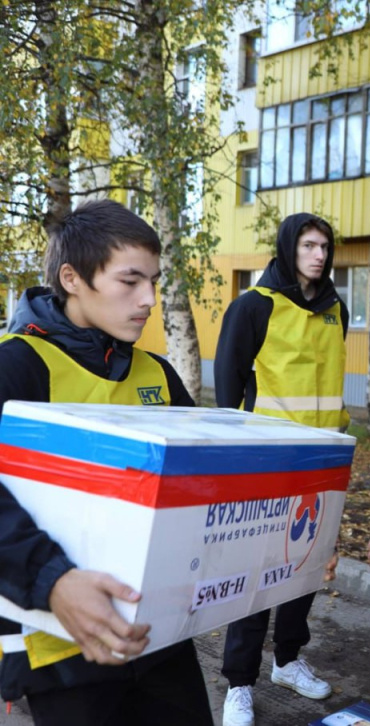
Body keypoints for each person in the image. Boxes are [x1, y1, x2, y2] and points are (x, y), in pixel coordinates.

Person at [0, 199, 213, 725]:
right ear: (72, 278)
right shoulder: (16, 366)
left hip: (158, 633)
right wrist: (52, 581)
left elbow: (206, 480)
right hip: (59, 646)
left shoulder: (158, 375)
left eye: (155, 282)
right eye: (131, 281)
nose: (150, 300)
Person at [215, 213, 348, 726]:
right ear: (289, 248)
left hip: (322, 462)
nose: (319, 255)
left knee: (307, 567)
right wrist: (234, 461)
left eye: (325, 246)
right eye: (309, 245)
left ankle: (288, 660)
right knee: (258, 574)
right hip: (267, 464)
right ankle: (239, 684)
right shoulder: (254, 306)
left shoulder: (337, 308)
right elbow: (227, 390)